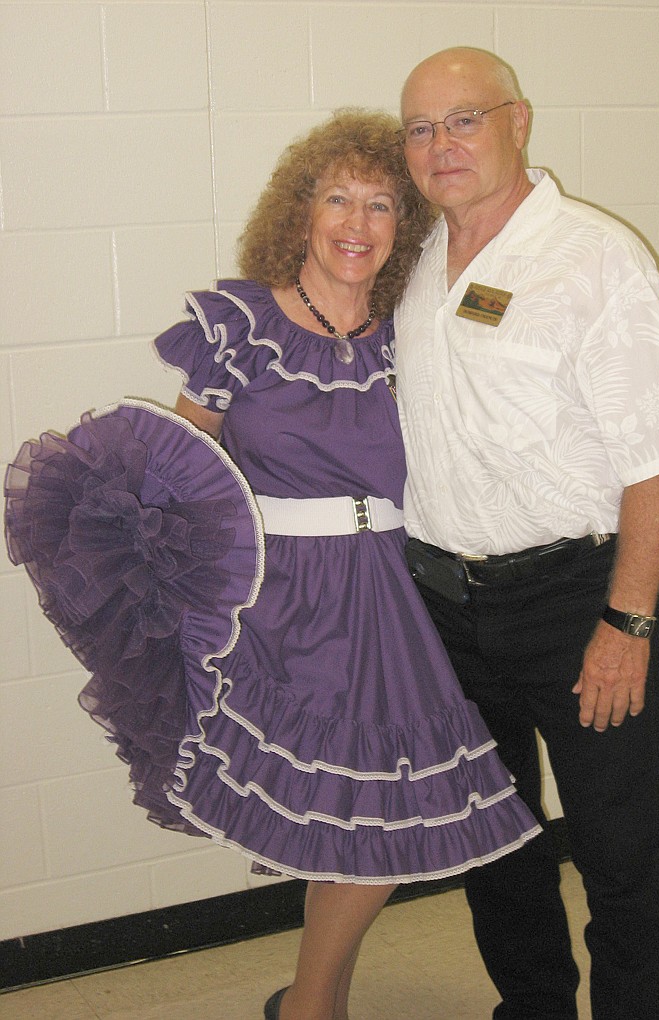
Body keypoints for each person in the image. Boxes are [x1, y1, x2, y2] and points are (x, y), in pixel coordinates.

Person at [4, 110, 542, 1020]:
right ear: (300, 211)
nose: (357, 223)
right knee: (347, 816)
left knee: (371, 815)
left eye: (380, 204)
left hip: (393, 597)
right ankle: (313, 1004)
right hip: (284, 601)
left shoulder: (408, 328)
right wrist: (164, 586)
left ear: (400, 225)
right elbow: (180, 461)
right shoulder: (238, 326)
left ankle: (308, 999)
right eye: (337, 197)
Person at [394, 49, 659, 1020]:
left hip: (579, 604)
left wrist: (628, 623)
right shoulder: (416, 261)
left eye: (464, 119)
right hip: (446, 611)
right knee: (493, 847)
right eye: (420, 127)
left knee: (623, 863)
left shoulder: (594, 256)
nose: (441, 145)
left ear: (519, 122)